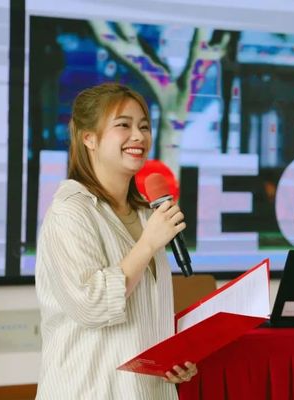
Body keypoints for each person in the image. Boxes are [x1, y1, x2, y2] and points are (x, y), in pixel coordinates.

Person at [35, 82, 198, 399]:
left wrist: (172, 360)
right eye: (123, 125)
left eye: (144, 126)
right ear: (89, 138)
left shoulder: (146, 214)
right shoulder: (70, 211)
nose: (139, 136)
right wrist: (147, 245)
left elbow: (143, 316)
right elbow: (92, 305)